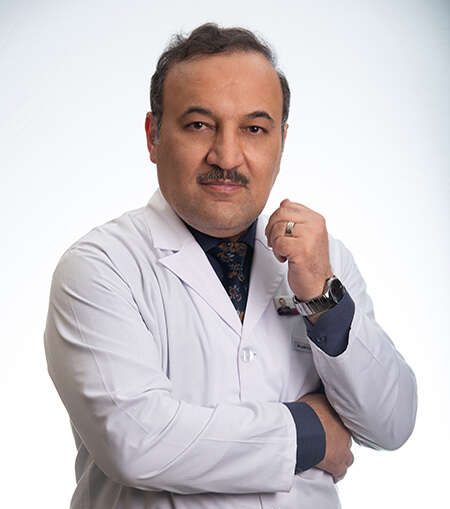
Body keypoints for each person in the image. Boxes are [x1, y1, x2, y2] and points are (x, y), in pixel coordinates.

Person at [44, 23, 417, 509]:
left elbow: (392, 423)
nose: (226, 156)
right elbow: (135, 439)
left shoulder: (321, 262)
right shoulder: (100, 268)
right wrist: (310, 432)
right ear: (154, 136)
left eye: (254, 129)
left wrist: (323, 300)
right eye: (199, 125)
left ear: (281, 140)